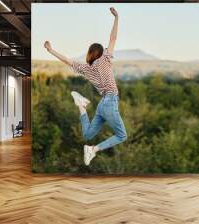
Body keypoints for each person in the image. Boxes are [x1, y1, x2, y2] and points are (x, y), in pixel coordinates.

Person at [44, 7, 127, 166]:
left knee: (88, 134)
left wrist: (51, 50)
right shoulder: (105, 59)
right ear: (101, 53)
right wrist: (116, 18)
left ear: (90, 53)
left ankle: (81, 105)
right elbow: (113, 38)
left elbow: (67, 61)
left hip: (102, 105)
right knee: (122, 135)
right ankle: (93, 150)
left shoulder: (86, 68)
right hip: (109, 103)